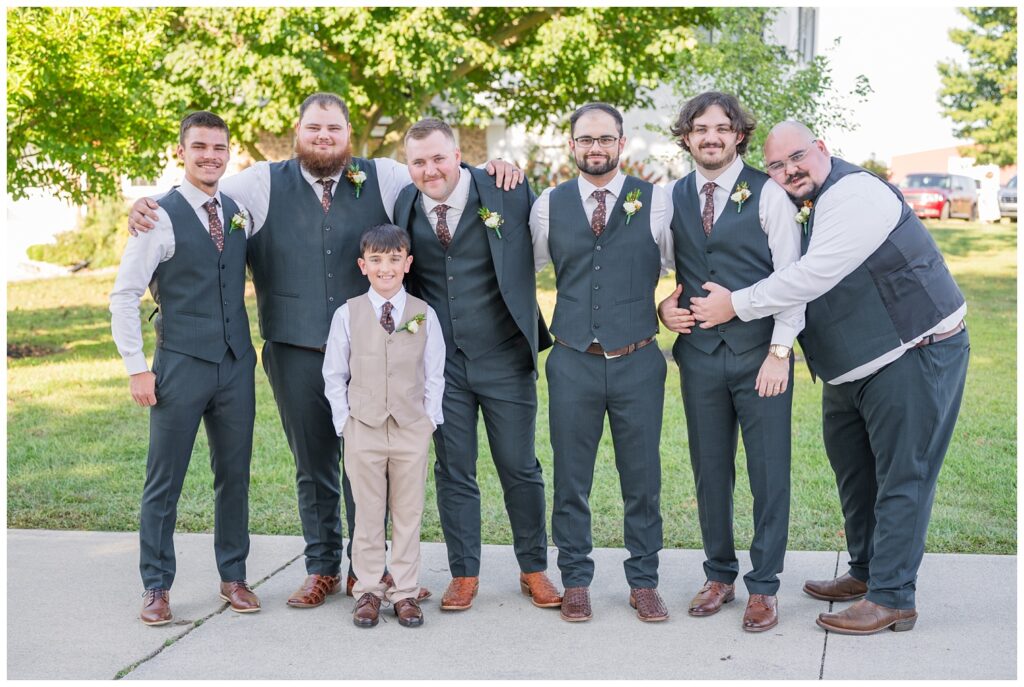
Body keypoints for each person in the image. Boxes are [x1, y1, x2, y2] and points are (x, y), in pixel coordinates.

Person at [127, 93, 522, 608]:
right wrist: (145, 207)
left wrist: (492, 170)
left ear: (348, 132)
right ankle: (322, 568)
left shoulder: (381, 175)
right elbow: (199, 192)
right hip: (292, 348)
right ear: (298, 131)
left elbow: (439, 173)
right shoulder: (262, 182)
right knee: (313, 464)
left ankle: (369, 572)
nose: (323, 137)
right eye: (314, 128)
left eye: (333, 128)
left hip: (370, 349)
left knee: (369, 462)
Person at [689, 120, 969, 635]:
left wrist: (736, 304)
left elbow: (813, 274)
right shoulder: (801, 199)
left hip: (913, 351)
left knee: (902, 477)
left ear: (822, 148)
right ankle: (864, 572)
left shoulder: (855, 193)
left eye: (797, 157)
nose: (788, 170)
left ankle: (893, 598)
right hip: (852, 366)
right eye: (776, 165)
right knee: (855, 476)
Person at [392, 118, 561, 612]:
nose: (430, 169)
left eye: (439, 158)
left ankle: (534, 569)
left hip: (505, 354)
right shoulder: (403, 203)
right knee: (453, 470)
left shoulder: (507, 189)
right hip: (441, 365)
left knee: (520, 467)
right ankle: (464, 572)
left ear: (459, 154)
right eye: (419, 161)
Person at [658, 92, 803, 632]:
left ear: (739, 135)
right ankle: (719, 574)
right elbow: (663, 266)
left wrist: (779, 351)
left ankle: (764, 586)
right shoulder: (670, 196)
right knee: (709, 471)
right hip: (698, 358)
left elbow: (794, 279)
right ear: (687, 137)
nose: (711, 137)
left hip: (760, 357)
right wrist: (663, 310)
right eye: (700, 129)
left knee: (769, 474)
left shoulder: (769, 195)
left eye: (722, 128)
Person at [110, 111, 260, 625]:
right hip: (178, 365)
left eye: (218, 148)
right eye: (199, 147)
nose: (209, 156)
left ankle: (234, 576)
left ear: (228, 152)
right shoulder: (159, 216)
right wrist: (136, 367)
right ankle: (156, 586)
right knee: (164, 478)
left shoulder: (241, 208)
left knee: (234, 475)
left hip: (236, 364)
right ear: (181, 152)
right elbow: (125, 295)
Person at [530, 102, 675, 623]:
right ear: (572, 146)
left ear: (622, 143)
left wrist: (668, 306)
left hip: (638, 358)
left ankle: (644, 581)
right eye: (586, 140)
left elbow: (688, 267)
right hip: (572, 360)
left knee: (642, 477)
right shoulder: (548, 205)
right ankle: (575, 581)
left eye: (605, 139)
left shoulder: (658, 202)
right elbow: (523, 271)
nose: (596, 148)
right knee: (572, 478)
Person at [322, 224, 445, 628]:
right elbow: (334, 374)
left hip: (411, 428)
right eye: (376, 260)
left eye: (394, 260)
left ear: (408, 264)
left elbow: (435, 375)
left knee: (408, 513)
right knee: (368, 514)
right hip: (364, 427)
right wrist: (345, 424)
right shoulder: (348, 313)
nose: (386, 268)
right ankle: (369, 591)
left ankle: (406, 592)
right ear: (363, 266)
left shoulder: (424, 315)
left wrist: (429, 421)